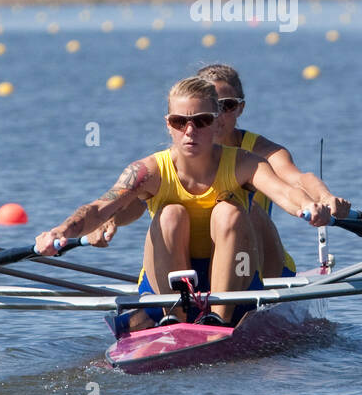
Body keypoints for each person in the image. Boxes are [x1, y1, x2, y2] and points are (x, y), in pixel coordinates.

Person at [34, 76, 332, 327]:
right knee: (170, 214)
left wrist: (308, 208)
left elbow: (285, 192)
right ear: (168, 124)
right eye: (180, 122)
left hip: (236, 284)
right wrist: (62, 231)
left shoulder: (244, 163)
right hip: (167, 285)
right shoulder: (146, 171)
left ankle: (218, 320)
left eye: (201, 121)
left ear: (217, 125)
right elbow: (99, 208)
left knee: (229, 212)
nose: (190, 131)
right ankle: (173, 319)